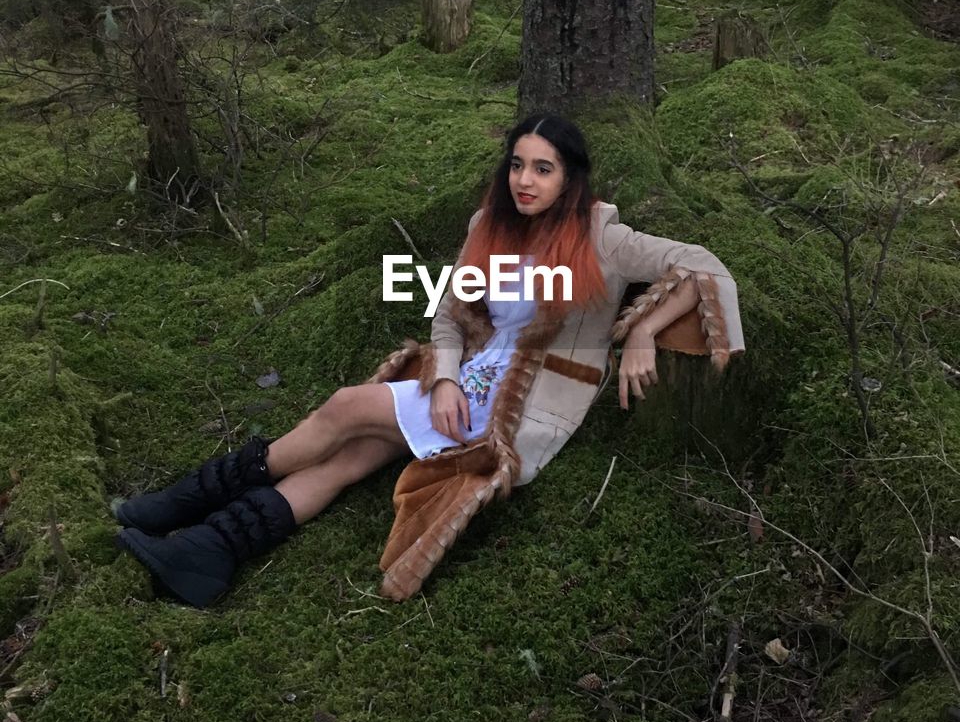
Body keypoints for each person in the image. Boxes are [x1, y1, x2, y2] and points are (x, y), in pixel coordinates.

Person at [115, 114, 744, 607]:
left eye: (543, 169)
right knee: (347, 458)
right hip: (464, 383)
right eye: (518, 165)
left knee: (343, 409)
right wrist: (442, 379)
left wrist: (641, 330)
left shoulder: (603, 236)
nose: (525, 181)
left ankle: (180, 503)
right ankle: (207, 552)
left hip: (518, 405)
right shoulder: (488, 227)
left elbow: (701, 264)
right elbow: (448, 314)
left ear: (571, 179)